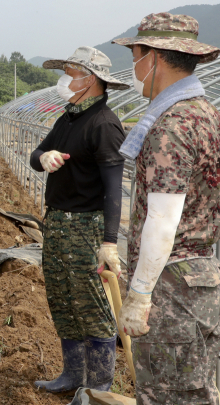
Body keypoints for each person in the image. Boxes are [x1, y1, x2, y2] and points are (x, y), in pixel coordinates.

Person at [112, 13, 220, 405]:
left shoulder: (172, 124)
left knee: (168, 395)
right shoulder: (208, 115)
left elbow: (163, 220)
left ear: (155, 58)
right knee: (193, 392)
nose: (134, 67)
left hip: (172, 288)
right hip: (200, 282)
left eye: (136, 56)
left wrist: (141, 292)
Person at [29, 47, 128, 393]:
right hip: (57, 223)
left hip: (87, 228)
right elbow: (35, 154)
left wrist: (110, 242)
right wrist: (45, 157)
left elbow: (115, 188)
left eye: (71, 72)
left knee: (93, 308)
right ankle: (73, 377)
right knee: (63, 301)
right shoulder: (67, 118)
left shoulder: (104, 125)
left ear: (91, 80)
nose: (65, 79)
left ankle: (98, 391)